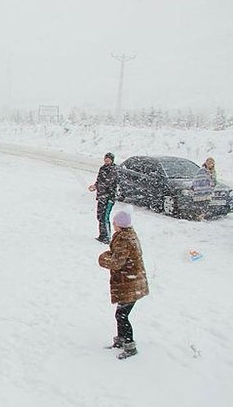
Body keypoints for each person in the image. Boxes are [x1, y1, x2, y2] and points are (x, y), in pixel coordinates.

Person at [98, 210, 149, 360]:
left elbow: (116, 262)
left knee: (122, 314)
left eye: (114, 222)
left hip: (130, 284)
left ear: (119, 224)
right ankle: (120, 341)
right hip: (131, 282)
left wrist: (103, 258)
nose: (113, 224)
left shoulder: (124, 240)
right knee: (121, 314)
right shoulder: (127, 236)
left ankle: (130, 346)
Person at [88, 152, 117, 244]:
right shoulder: (102, 168)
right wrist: (95, 186)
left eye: (109, 159)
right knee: (100, 216)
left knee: (105, 217)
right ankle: (102, 235)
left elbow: (108, 183)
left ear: (112, 160)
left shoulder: (114, 170)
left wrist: (99, 186)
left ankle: (107, 237)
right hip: (101, 196)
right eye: (106, 159)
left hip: (109, 197)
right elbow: (99, 180)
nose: (107, 161)